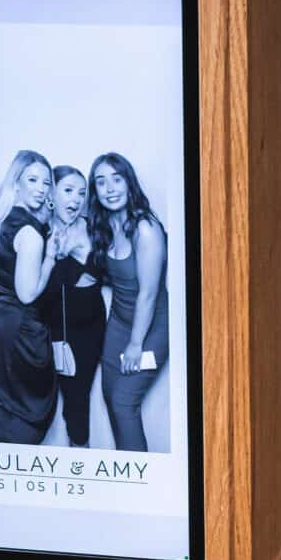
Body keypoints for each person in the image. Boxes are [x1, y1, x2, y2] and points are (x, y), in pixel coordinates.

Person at [88, 153, 169, 451]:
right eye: (101, 182)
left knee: (124, 404)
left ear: (128, 182)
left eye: (116, 179)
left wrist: (136, 344)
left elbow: (148, 294)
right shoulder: (104, 226)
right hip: (119, 321)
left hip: (152, 326)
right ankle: (127, 474)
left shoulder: (146, 229)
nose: (110, 188)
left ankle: (142, 485)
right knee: (111, 396)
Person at [0, 149, 58, 444]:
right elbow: (27, 295)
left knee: (0, 418)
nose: (40, 188)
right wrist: (50, 258)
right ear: (17, 183)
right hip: (19, 333)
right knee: (27, 421)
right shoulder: (30, 234)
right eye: (33, 180)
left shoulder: (4, 221)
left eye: (46, 182)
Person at [41, 166, 108, 447]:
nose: (76, 198)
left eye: (82, 193)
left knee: (78, 399)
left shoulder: (93, 226)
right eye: (68, 190)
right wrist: (52, 256)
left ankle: (82, 455)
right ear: (51, 195)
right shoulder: (39, 231)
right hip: (52, 327)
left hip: (90, 326)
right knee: (44, 401)